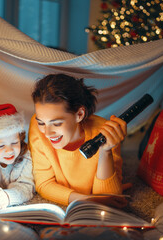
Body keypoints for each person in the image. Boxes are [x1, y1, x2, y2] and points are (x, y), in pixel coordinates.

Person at [29, 73, 130, 206]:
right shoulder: (37, 128)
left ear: (79, 114)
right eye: (41, 122)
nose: (47, 133)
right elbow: (44, 183)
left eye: (57, 123)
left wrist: (106, 152)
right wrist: (86, 199)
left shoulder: (104, 132)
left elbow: (109, 198)